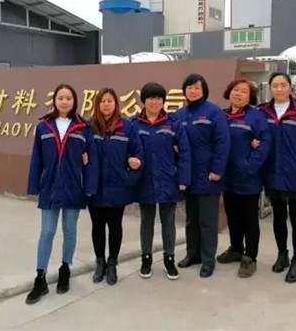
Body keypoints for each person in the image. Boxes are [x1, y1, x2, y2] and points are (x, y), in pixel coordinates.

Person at [25, 84, 98, 305]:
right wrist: (33, 186)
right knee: (47, 232)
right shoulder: (44, 127)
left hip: (73, 187)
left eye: (68, 98)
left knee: (70, 230)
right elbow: (36, 158)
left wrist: (89, 187)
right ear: (54, 101)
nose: (64, 101)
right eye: (60, 98)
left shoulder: (83, 127)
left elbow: (91, 160)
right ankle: (40, 278)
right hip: (50, 188)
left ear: (74, 101)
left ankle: (65, 269)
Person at [258, 72, 296, 283]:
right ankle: (282, 254)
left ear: (291, 87)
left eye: (283, 85)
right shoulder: (263, 112)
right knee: (279, 216)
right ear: (270, 88)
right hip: (273, 173)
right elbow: (256, 135)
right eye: (275, 85)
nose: (279, 89)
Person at [131, 82, 191, 280]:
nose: (155, 102)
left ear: (163, 101)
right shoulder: (134, 124)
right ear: (144, 100)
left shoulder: (173, 123)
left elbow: (184, 152)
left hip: (168, 180)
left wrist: (183, 179)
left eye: (158, 98)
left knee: (168, 221)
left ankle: (169, 259)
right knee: (146, 221)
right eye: (151, 98)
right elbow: (127, 151)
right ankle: (146, 259)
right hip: (144, 181)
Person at [173, 73, 231, 278]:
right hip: (188, 177)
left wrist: (217, 170)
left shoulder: (214, 112)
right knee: (191, 219)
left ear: (204, 90)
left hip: (208, 176)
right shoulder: (179, 115)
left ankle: (208, 260)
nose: (193, 91)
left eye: (197, 87)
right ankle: (193, 254)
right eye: (189, 87)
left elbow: (223, 142)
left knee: (208, 221)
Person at [88, 88, 144, 285]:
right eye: (102, 101)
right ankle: (100, 262)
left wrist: (129, 179)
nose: (106, 104)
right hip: (95, 188)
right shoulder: (89, 127)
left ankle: (112, 263)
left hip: (118, 188)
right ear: (97, 104)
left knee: (115, 227)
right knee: (97, 227)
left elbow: (138, 155)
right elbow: (80, 151)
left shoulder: (127, 127)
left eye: (109, 101)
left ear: (115, 104)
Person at [217, 78, 271, 278]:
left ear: (250, 97)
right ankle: (236, 249)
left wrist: (250, 167)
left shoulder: (256, 117)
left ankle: (250, 257)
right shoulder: (221, 116)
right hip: (227, 177)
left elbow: (265, 143)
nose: (238, 94)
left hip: (248, 179)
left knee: (249, 219)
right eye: (235, 90)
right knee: (232, 216)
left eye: (244, 91)